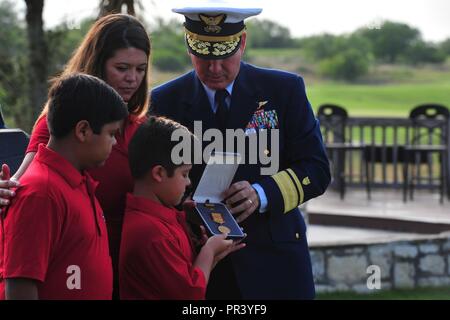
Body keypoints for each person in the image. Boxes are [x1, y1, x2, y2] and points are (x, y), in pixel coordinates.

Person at [150, 2, 331, 299]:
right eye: (203, 57)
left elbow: (317, 169)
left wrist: (261, 194)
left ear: (242, 42)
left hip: (276, 265)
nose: (215, 69)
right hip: (202, 264)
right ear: (188, 45)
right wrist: (182, 206)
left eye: (225, 56)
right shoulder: (164, 101)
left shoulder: (284, 90)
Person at [0, 13, 151, 297]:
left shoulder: (139, 127)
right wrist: (5, 193)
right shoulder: (60, 127)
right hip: (71, 271)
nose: (132, 79)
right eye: (122, 68)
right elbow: (27, 187)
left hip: (127, 270)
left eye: (140, 69)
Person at [0, 73, 129, 299]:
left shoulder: (78, 182)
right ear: (83, 131)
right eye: (111, 134)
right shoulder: (41, 193)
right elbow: (20, 288)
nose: (115, 142)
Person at [119, 116, 245, 299]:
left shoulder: (165, 215)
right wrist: (209, 252)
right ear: (159, 173)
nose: (189, 182)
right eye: (184, 174)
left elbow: (185, 273)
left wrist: (210, 253)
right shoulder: (152, 233)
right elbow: (190, 294)